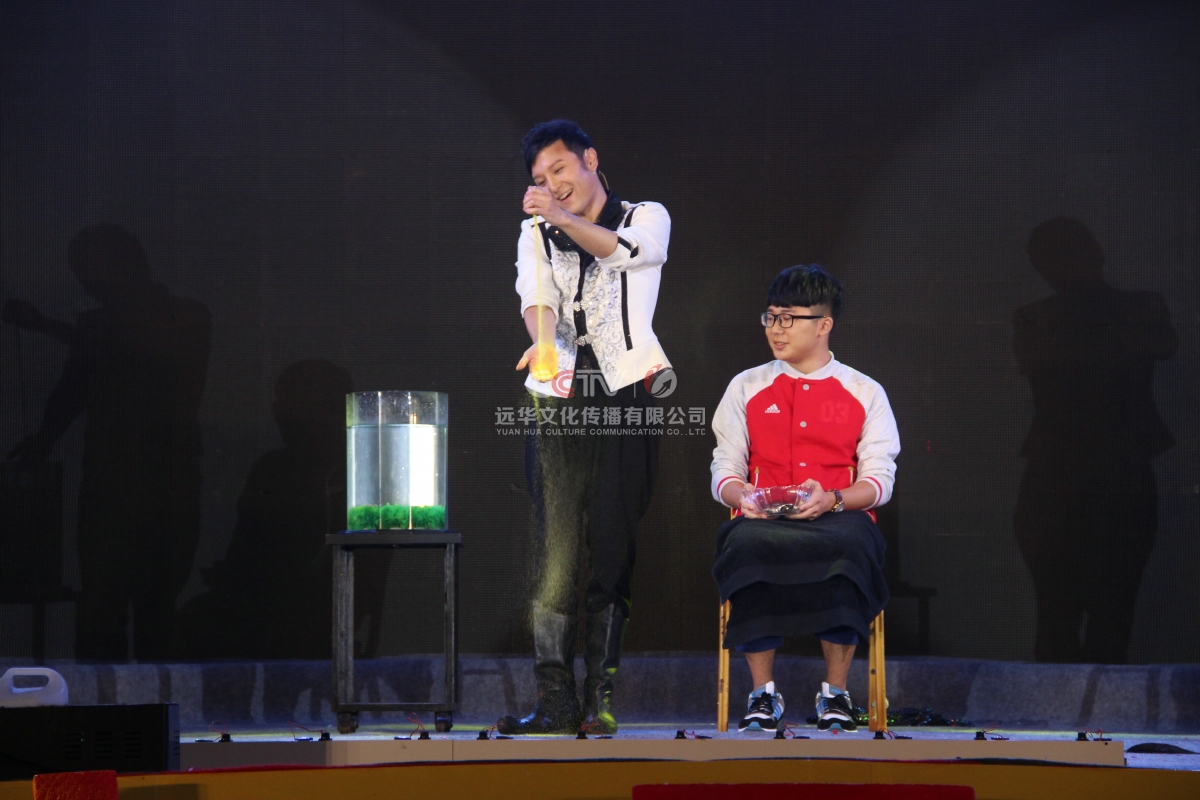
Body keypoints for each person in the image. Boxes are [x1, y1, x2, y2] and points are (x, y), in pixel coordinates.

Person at [498, 119, 672, 735]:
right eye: (540, 179)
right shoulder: (534, 233)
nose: (552, 184)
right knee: (556, 550)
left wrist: (562, 218)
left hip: (625, 395)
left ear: (590, 160)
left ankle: (599, 699)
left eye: (560, 170)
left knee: (612, 546)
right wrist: (544, 343)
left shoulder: (645, 216)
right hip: (559, 398)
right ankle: (554, 701)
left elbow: (626, 253)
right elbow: (536, 296)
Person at [5, 224, 210, 661]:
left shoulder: (181, 318)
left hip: (149, 481)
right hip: (135, 480)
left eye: (90, 270)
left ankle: (125, 697)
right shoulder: (157, 320)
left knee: (131, 604)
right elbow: (74, 387)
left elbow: (122, 354)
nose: (86, 282)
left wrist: (44, 326)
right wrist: (43, 439)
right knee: (116, 606)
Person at [710, 264, 899, 733]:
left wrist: (832, 499)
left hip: (836, 516)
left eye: (789, 318)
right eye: (771, 317)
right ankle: (762, 694)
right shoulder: (747, 385)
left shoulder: (863, 390)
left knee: (853, 546)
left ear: (824, 324)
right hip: (763, 518)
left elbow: (879, 481)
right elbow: (724, 470)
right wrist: (744, 495)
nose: (776, 329)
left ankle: (836, 694)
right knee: (743, 544)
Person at [1013, 217, 1177, 664]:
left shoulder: (1045, 318)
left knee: (1094, 614)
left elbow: (1161, 346)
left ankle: (1080, 701)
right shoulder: (1040, 319)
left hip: (1090, 475)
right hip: (1074, 476)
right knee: (1075, 617)